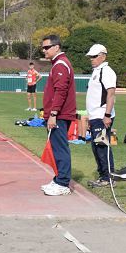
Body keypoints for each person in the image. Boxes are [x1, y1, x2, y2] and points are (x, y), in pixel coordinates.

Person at [39, 35, 75, 196]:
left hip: (59, 115)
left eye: (47, 47)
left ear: (57, 47)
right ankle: (58, 178)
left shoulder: (61, 64)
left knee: (60, 148)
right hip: (58, 114)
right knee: (56, 147)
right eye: (43, 48)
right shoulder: (58, 64)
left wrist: (53, 114)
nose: (44, 50)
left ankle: (63, 183)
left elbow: (61, 91)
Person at [85, 44, 116, 188]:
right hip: (95, 116)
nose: (91, 59)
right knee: (96, 147)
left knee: (102, 146)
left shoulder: (107, 71)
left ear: (103, 56)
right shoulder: (96, 71)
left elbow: (111, 94)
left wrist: (107, 115)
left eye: (94, 56)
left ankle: (108, 177)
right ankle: (103, 176)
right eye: (90, 56)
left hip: (102, 115)